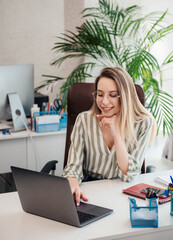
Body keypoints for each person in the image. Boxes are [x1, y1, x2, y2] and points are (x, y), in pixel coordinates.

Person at [62, 67, 156, 205]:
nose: (104, 102)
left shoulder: (143, 123)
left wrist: (116, 133)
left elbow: (129, 174)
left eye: (112, 95)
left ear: (125, 96)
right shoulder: (84, 120)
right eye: (100, 94)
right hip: (91, 192)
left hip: (125, 194)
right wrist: (71, 186)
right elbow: (73, 168)